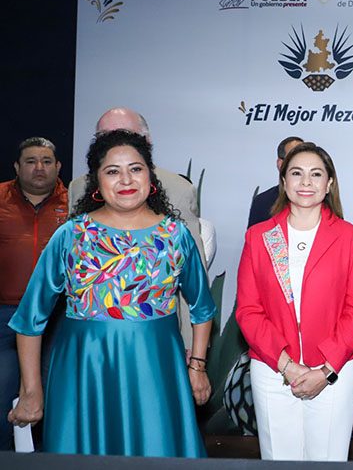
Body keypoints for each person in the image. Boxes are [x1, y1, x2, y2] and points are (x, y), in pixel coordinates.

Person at [7, 130, 215, 457]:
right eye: (113, 171)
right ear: (97, 181)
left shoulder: (176, 236)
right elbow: (29, 320)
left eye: (136, 169)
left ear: (150, 176)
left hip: (156, 372)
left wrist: (198, 367)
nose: (126, 180)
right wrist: (31, 390)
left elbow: (202, 308)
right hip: (84, 373)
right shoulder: (71, 236)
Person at [236, 142, 353, 461]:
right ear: (283, 181)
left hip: (334, 372)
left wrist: (326, 370)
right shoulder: (260, 237)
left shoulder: (350, 238)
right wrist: (287, 365)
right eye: (296, 173)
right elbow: (248, 311)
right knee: (279, 460)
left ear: (329, 183)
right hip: (273, 370)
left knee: (328, 460)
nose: (306, 182)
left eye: (316, 174)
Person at [69, 107, 206, 348]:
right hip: (89, 339)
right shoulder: (77, 187)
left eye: (124, 134)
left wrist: (190, 347)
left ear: (147, 142)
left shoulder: (178, 189)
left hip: (153, 337)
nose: (115, 142)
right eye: (104, 136)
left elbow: (193, 282)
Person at [0, 137, 68, 450]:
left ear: (58, 167)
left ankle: (48, 459)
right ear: (17, 167)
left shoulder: (74, 204)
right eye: (30, 161)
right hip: (6, 316)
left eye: (46, 161)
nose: (39, 167)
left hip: (57, 318)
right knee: (4, 393)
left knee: (53, 393)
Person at [247, 136, 304, 228]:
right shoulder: (262, 201)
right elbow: (253, 235)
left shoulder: (321, 199)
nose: (302, 163)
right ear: (280, 164)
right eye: (294, 158)